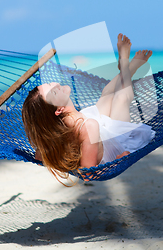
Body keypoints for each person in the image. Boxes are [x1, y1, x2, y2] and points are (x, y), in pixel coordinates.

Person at [22, 34, 155, 184]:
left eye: (49, 84)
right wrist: (119, 160)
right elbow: (89, 172)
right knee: (120, 99)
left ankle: (127, 68)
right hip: (114, 145)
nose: (55, 84)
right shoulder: (87, 127)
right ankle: (126, 66)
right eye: (53, 91)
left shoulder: (56, 129)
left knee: (107, 92)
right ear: (58, 109)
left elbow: (39, 156)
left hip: (94, 127)